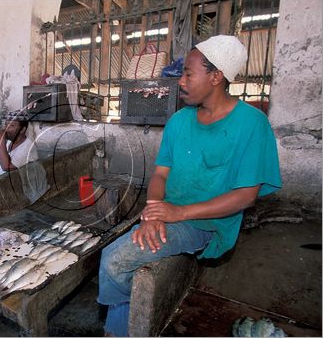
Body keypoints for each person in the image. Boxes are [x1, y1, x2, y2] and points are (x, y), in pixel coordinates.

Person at [97, 35, 282, 336]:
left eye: (188, 73)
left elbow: (246, 196)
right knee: (120, 254)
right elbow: (160, 176)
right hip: (169, 213)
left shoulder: (252, 124)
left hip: (206, 223)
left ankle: (116, 332)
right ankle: (125, 322)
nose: (180, 81)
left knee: (114, 260)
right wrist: (155, 211)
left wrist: (177, 213)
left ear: (216, 76)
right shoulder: (180, 121)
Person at [0, 109, 39, 176]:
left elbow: (6, 167)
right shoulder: (9, 142)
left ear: (22, 130)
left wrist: (1, 140)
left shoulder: (28, 147)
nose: (6, 129)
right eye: (6, 124)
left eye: (11, 126)